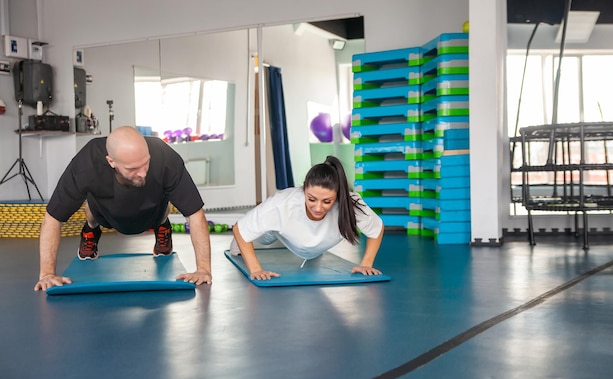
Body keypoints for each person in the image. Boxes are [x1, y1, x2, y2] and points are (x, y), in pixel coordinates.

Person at [34, 126, 212, 291]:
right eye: (133, 168)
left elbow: (194, 213)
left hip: (152, 211)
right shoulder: (86, 164)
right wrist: (47, 274)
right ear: (111, 161)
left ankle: (163, 227)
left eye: (146, 163)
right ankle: (90, 232)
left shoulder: (165, 157)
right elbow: (53, 217)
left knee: (165, 205)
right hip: (104, 212)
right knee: (90, 207)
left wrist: (203, 269)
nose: (142, 172)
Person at [230, 155, 384, 280]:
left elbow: (376, 229)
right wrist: (256, 269)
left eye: (327, 201)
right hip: (275, 232)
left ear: (337, 196)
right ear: (304, 189)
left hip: (312, 247)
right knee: (254, 237)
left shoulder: (350, 205)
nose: (318, 208)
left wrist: (366, 264)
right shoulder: (282, 204)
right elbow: (240, 229)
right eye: (311, 199)